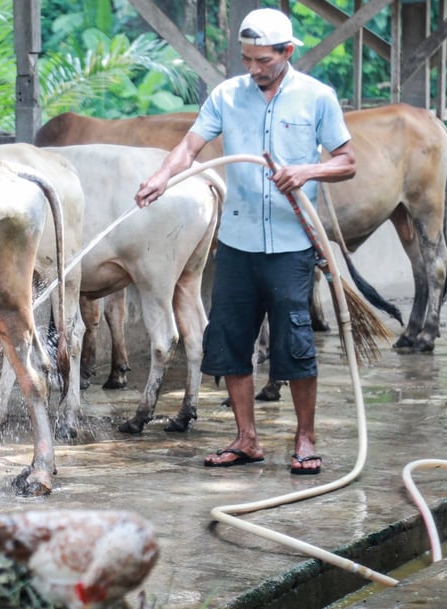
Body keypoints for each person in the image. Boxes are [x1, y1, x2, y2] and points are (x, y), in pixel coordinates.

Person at [134, 7, 356, 474]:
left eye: (264, 61)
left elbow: (346, 161)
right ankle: (246, 439)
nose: (253, 70)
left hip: (293, 244)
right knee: (230, 340)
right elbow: (190, 146)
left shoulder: (317, 98)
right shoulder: (227, 96)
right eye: (248, 59)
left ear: (287, 52)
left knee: (294, 344)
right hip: (236, 242)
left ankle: (305, 439)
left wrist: (307, 170)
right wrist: (162, 177)